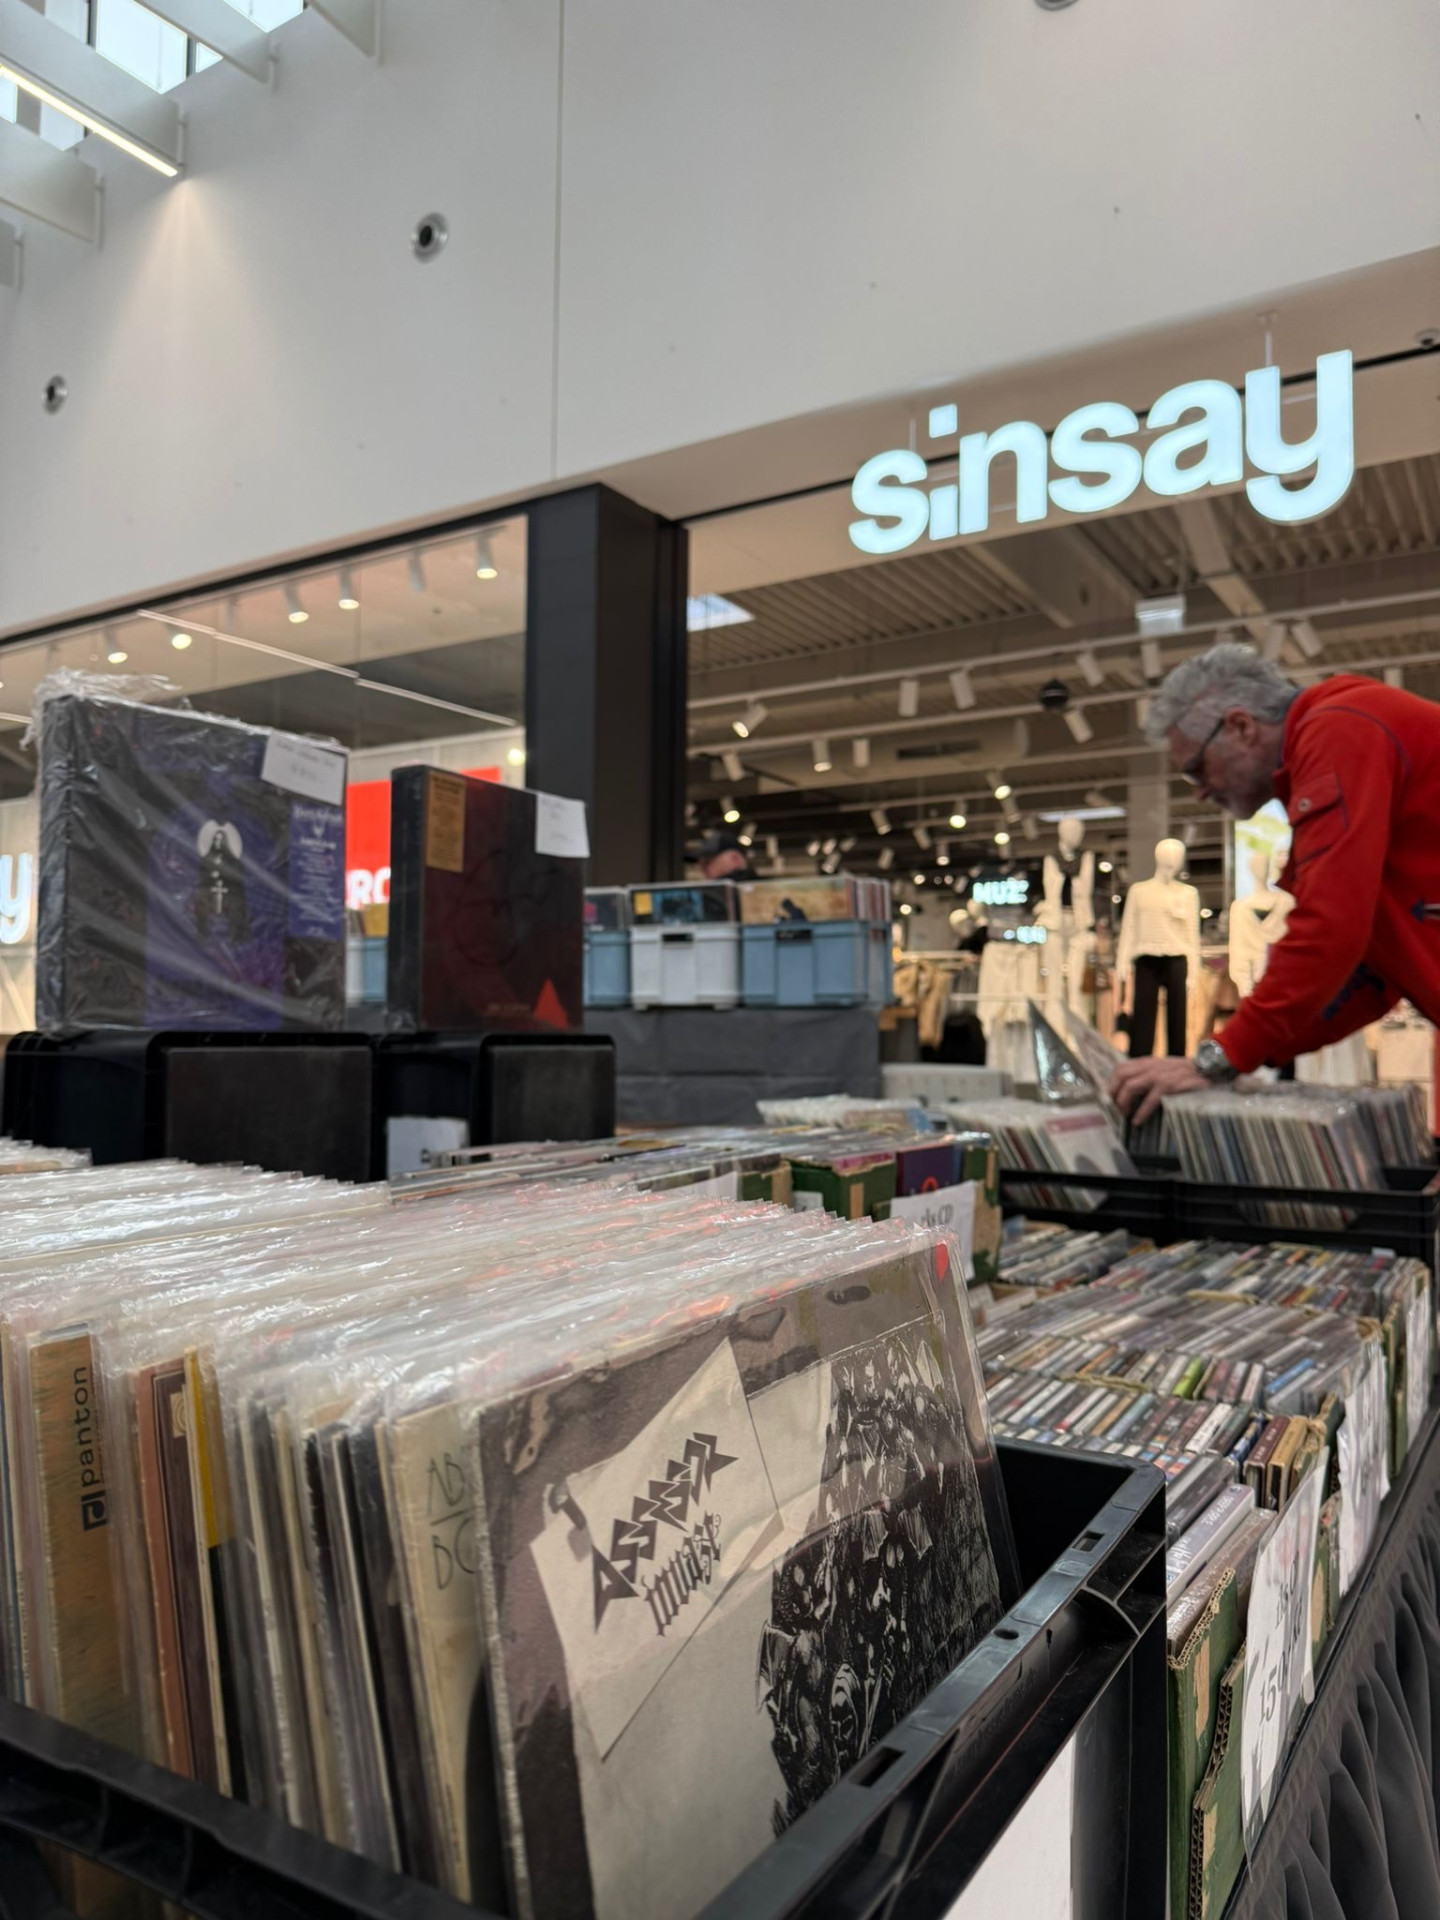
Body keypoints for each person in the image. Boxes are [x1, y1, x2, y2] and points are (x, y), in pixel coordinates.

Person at [1111, 641, 1440, 1122]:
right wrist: (1244, 1052)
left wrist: (1224, 1055)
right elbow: (1369, 977)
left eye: (1196, 770)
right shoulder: (1343, 726)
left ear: (1241, 727)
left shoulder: (1338, 729)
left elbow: (1331, 927)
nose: (1200, 792)